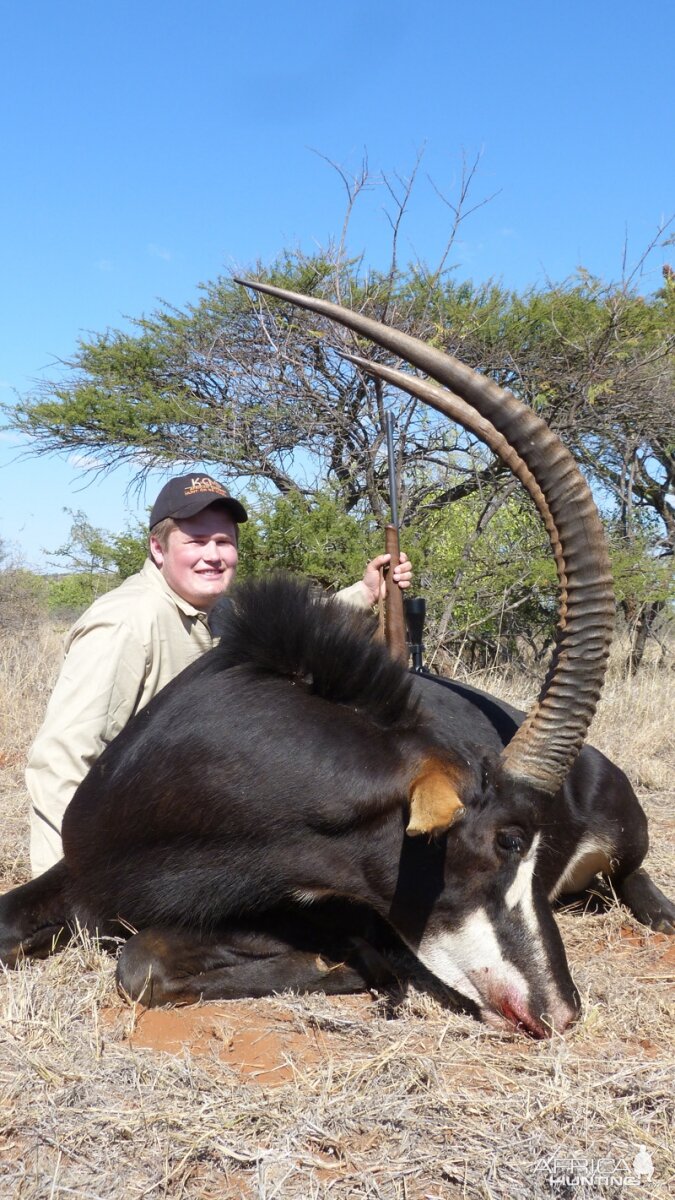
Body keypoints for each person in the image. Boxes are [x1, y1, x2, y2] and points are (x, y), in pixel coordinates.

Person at [27, 473, 413, 876]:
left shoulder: (217, 611)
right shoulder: (127, 622)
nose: (212, 555)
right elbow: (60, 757)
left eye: (224, 542)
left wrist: (366, 593)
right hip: (125, 843)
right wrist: (64, 890)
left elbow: (294, 630)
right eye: (195, 541)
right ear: (158, 548)